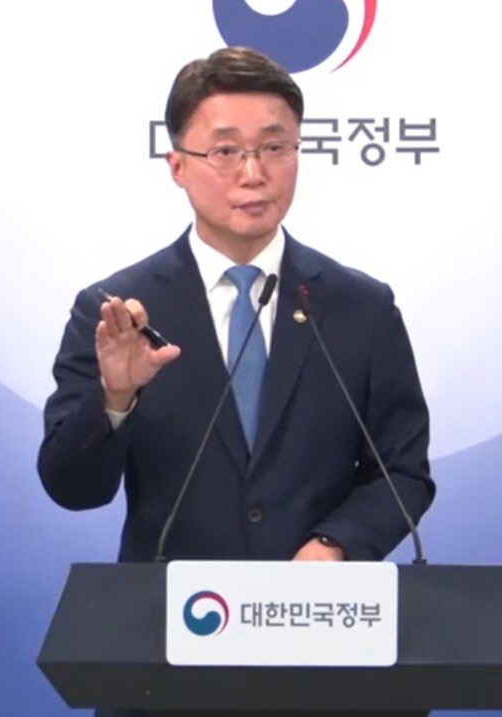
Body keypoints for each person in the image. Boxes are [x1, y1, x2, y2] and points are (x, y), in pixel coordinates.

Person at [37, 46, 435, 566]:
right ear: (178, 166)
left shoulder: (361, 308)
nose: (254, 173)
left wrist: (336, 544)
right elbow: (73, 489)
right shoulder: (117, 313)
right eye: (225, 151)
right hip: (167, 612)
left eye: (275, 147)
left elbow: (402, 471)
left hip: (316, 609)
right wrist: (115, 397)